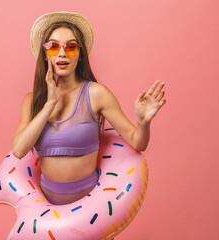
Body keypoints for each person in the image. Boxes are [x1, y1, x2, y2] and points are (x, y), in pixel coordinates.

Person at [11, 11, 166, 206]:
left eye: (71, 47)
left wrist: (144, 123)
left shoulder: (96, 94)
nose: (62, 53)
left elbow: (138, 142)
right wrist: (49, 104)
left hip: (91, 211)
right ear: (45, 55)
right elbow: (18, 150)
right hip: (45, 213)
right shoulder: (32, 100)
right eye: (53, 46)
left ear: (81, 54)